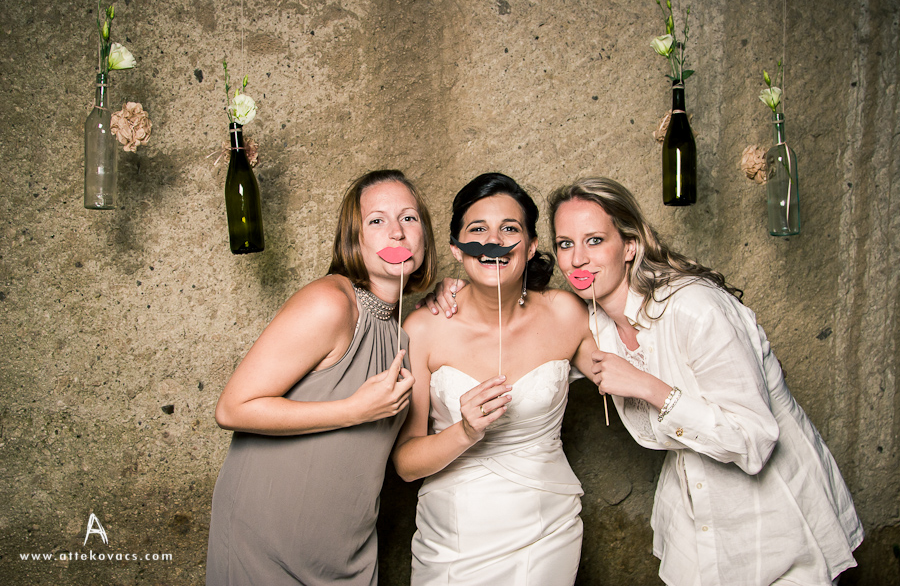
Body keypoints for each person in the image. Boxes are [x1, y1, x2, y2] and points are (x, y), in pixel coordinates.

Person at [425, 176, 863, 585]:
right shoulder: (594, 322)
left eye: (595, 240)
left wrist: (648, 387)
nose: (578, 259)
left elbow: (755, 440)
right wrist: (457, 287)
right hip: (694, 522)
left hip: (778, 516)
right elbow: (519, 338)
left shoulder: (696, 308)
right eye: (566, 244)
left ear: (630, 246)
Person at [206, 170, 438, 586]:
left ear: (425, 236)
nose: (397, 233)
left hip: (345, 552)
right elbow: (232, 408)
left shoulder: (401, 333)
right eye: (377, 220)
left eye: (409, 218)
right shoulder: (330, 303)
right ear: (354, 238)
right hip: (266, 542)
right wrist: (353, 410)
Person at [393, 173, 600, 585]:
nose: (493, 242)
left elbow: (624, 369)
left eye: (509, 229)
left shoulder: (566, 313)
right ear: (456, 248)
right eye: (477, 230)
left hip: (547, 532)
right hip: (454, 539)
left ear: (531, 245)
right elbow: (405, 464)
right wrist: (465, 432)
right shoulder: (423, 329)